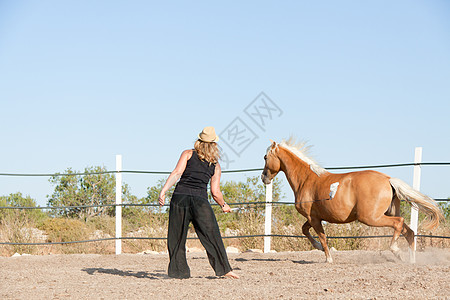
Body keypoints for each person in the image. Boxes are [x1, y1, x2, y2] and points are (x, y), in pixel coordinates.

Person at [158, 126, 239, 279]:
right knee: (211, 234)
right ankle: (224, 269)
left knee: (177, 236)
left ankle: (178, 272)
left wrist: (163, 190)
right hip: (200, 201)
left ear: (199, 141)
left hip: (180, 197)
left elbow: (177, 173)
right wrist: (224, 205)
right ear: (214, 144)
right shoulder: (215, 165)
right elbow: (215, 192)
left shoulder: (188, 154)